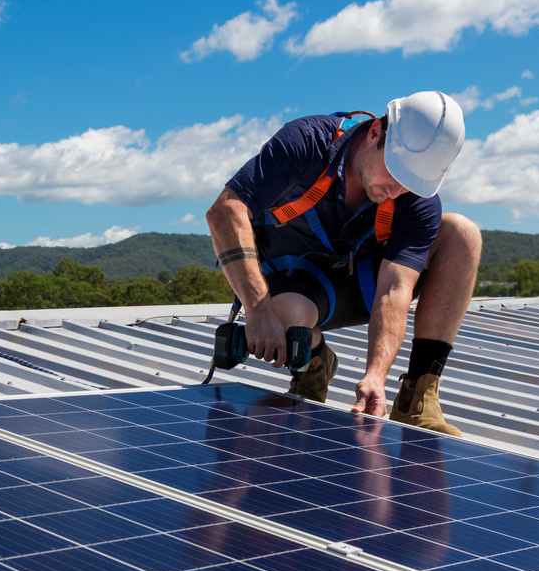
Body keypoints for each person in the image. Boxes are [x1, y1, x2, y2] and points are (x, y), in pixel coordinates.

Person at [204, 91, 481, 436]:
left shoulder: (415, 200)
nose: (395, 191)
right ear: (376, 132)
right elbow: (225, 211)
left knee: (461, 234)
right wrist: (258, 311)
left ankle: (418, 396)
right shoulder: (306, 143)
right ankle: (317, 359)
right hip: (297, 279)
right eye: (394, 173)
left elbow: (395, 289)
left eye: (409, 185)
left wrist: (376, 377)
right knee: (292, 320)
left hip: (364, 283)